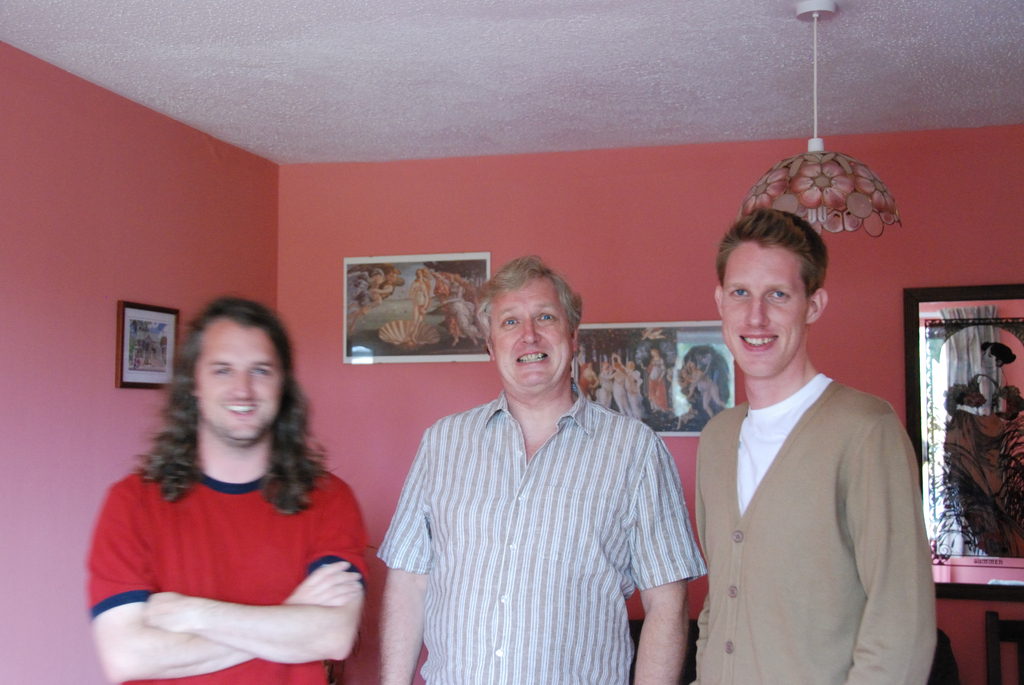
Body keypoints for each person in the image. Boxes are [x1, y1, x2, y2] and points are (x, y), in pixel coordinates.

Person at [378, 255, 706, 684]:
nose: (528, 335)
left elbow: (667, 603)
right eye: (510, 322)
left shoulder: (635, 451)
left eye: (545, 317)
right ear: (491, 346)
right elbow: (408, 582)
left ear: (572, 334)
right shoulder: (442, 443)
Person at [694, 209, 935, 684]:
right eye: (740, 293)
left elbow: (901, 623)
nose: (756, 316)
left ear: (814, 305)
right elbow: (719, 604)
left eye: (778, 295)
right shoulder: (717, 438)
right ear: (720, 301)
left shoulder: (865, 430)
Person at [87, 297, 368, 684]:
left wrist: (195, 613)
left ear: (283, 385)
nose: (242, 389)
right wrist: (290, 614)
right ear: (194, 384)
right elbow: (127, 658)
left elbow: (332, 637)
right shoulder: (131, 503)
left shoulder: (329, 499)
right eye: (222, 370)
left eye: (261, 371)